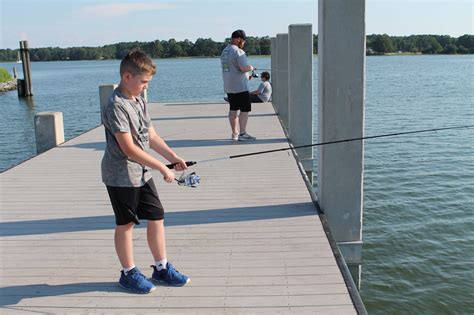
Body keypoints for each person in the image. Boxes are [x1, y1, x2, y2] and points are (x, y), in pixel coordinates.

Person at [101, 49, 190, 294]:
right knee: (126, 224)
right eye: (143, 82)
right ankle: (128, 272)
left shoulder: (139, 98)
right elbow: (128, 148)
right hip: (120, 174)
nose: (145, 87)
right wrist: (162, 167)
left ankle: (161, 268)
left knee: (156, 215)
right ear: (127, 77)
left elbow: (150, 135)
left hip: (142, 172)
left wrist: (172, 158)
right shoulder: (116, 105)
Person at [221, 29, 256, 141]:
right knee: (245, 110)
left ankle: (234, 133)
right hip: (240, 86)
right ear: (239, 39)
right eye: (244, 41)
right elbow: (243, 68)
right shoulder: (239, 52)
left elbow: (232, 68)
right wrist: (251, 68)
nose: (244, 44)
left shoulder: (225, 51)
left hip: (229, 85)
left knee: (233, 109)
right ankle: (242, 133)